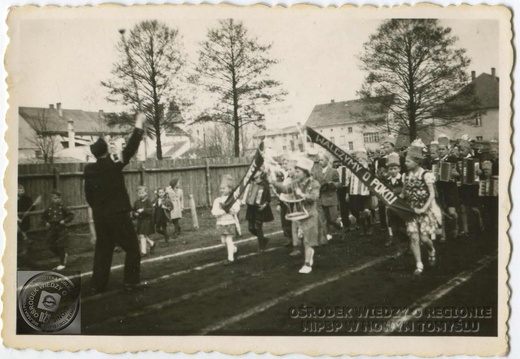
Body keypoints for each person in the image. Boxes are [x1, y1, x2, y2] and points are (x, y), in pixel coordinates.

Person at [84, 112, 146, 294]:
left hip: (100, 216)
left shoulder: (89, 170)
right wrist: (139, 123)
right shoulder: (114, 163)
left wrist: (98, 209)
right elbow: (132, 147)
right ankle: (131, 282)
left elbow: (89, 196)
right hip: (117, 214)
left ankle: (98, 284)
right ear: (107, 151)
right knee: (133, 248)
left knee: (103, 250)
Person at [273, 156, 320, 274]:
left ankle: (307, 264)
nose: (296, 173)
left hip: (310, 214)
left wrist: (303, 194)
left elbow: (314, 197)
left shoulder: (314, 183)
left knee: (307, 241)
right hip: (299, 215)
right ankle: (309, 256)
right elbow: (284, 189)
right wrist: (272, 182)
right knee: (304, 239)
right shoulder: (295, 183)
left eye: (298, 171)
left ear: (305, 172)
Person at [401, 140, 441, 276]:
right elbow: (403, 193)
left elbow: (432, 194)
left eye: (408, 161)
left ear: (417, 162)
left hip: (424, 210)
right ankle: (419, 264)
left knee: (424, 239)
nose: (405, 163)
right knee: (413, 237)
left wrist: (424, 208)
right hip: (411, 211)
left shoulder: (426, 175)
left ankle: (431, 249)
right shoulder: (405, 176)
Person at [212, 175, 242, 264]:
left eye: (224, 188)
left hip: (230, 222)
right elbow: (214, 211)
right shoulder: (217, 200)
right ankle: (234, 249)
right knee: (223, 241)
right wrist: (222, 211)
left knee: (229, 240)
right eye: (221, 188)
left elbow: (236, 209)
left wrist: (229, 209)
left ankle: (230, 258)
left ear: (229, 189)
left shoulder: (233, 200)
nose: (221, 190)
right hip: (221, 222)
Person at [435, 135, 460, 240]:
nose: (440, 151)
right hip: (439, 188)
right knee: (441, 213)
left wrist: (453, 173)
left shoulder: (452, 159)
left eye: (442, 149)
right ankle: (443, 235)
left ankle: (455, 226)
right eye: (439, 149)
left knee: (451, 212)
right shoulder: (435, 161)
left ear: (447, 150)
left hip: (450, 188)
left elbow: (459, 174)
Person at [458, 135, 484, 237]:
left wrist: (480, 171)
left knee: (473, 207)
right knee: (462, 206)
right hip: (463, 186)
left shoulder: (475, 159)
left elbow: (481, 172)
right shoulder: (459, 160)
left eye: (463, 149)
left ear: (468, 150)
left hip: (473, 186)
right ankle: (465, 230)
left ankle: (479, 217)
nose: (461, 152)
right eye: (460, 150)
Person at [42, 189, 74, 270]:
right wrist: (46, 222)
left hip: (61, 228)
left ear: (61, 198)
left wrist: (64, 221)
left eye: (58, 198)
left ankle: (62, 263)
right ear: (51, 199)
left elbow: (71, 215)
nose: (57, 200)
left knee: (61, 246)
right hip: (52, 228)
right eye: (55, 198)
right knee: (50, 245)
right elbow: (43, 217)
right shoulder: (49, 208)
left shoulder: (63, 207)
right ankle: (62, 255)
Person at [245, 169, 275, 251]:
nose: (254, 173)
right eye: (253, 171)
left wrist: (264, 205)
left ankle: (261, 246)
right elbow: (247, 194)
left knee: (258, 227)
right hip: (251, 208)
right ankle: (263, 239)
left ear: (261, 172)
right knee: (251, 228)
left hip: (260, 208)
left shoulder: (264, 184)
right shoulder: (250, 183)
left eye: (256, 171)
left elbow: (268, 198)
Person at [349, 149, 373, 236]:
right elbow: (351, 181)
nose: (360, 162)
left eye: (361, 160)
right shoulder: (354, 170)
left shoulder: (368, 170)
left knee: (366, 211)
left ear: (365, 160)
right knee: (360, 212)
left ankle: (370, 227)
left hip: (366, 193)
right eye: (358, 160)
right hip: (357, 193)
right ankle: (363, 228)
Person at [318, 153, 342, 238]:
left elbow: (338, 183)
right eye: (319, 160)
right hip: (321, 198)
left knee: (333, 219)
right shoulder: (318, 172)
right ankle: (328, 234)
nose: (320, 162)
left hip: (331, 198)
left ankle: (340, 230)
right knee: (324, 219)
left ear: (327, 161)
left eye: (322, 160)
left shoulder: (333, 171)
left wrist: (332, 185)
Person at [384, 153, 404, 247]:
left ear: (399, 169)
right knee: (393, 225)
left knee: (402, 226)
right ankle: (395, 242)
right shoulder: (387, 180)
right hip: (391, 207)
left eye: (395, 168)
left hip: (401, 206)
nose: (393, 171)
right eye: (390, 169)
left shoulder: (402, 179)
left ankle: (408, 245)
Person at [132, 186, 155, 256]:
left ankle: (143, 251)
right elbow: (134, 210)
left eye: (142, 193)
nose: (141, 194)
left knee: (142, 235)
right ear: (137, 194)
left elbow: (151, 210)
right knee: (142, 235)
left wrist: (143, 210)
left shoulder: (148, 201)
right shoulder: (136, 202)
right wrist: (135, 214)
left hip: (147, 220)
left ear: (145, 193)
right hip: (140, 220)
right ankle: (152, 243)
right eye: (139, 193)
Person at [166, 178, 185, 244]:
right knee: (173, 219)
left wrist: (182, 206)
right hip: (172, 206)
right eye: (178, 182)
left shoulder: (180, 190)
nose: (179, 184)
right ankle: (178, 228)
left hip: (178, 206)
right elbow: (166, 196)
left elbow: (182, 199)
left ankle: (176, 232)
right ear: (174, 183)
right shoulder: (169, 190)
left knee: (176, 219)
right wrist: (167, 190)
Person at [17, 184, 34, 256]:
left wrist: (30, 208)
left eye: (22, 190)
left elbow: (32, 208)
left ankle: (25, 250)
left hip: (25, 219)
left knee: (23, 232)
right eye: (19, 190)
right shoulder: (13, 198)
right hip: (17, 218)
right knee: (21, 233)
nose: (21, 192)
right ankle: (28, 242)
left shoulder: (27, 199)